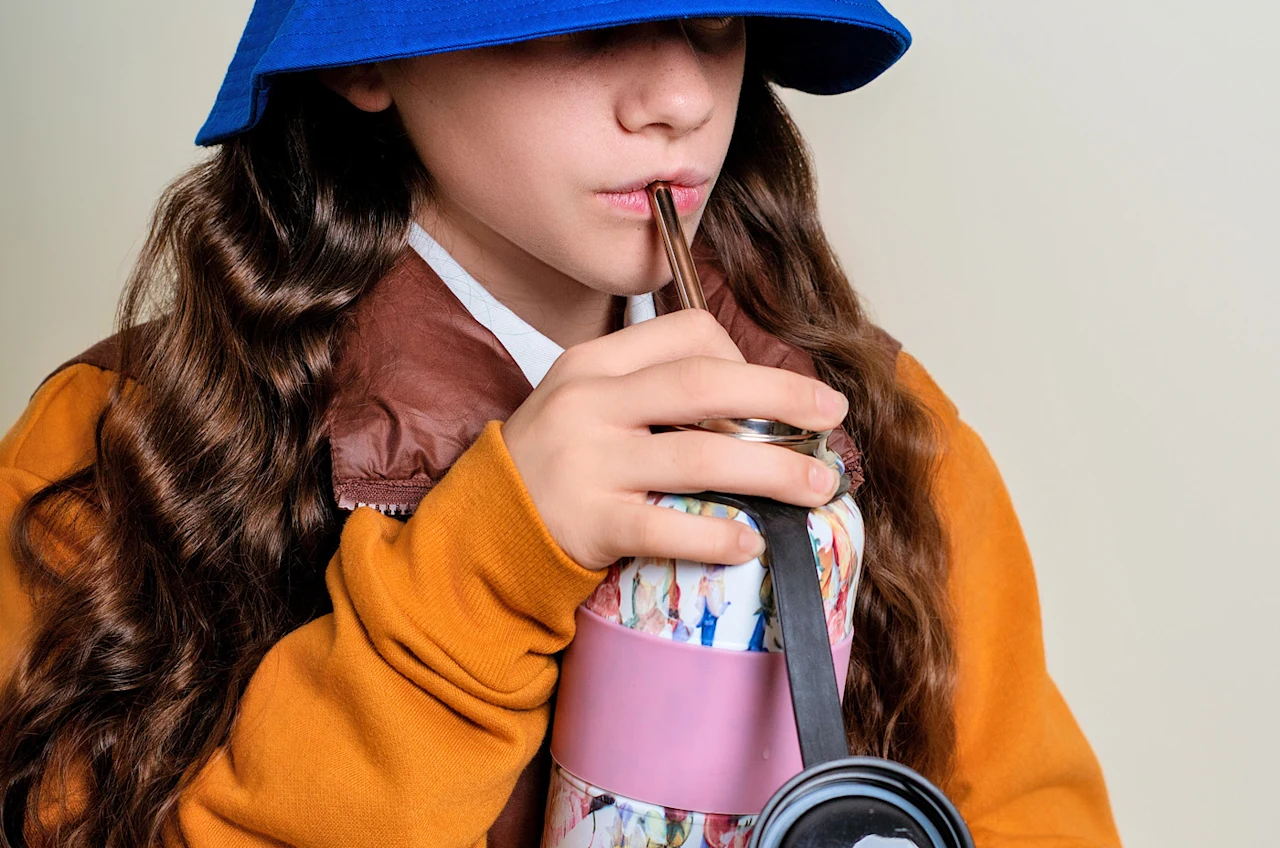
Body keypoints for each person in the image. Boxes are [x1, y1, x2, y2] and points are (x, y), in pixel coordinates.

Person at [0, 0, 1122, 845]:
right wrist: (485, 566)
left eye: (715, 18)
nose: (675, 99)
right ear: (365, 52)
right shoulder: (116, 452)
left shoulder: (875, 427)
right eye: (585, 20)